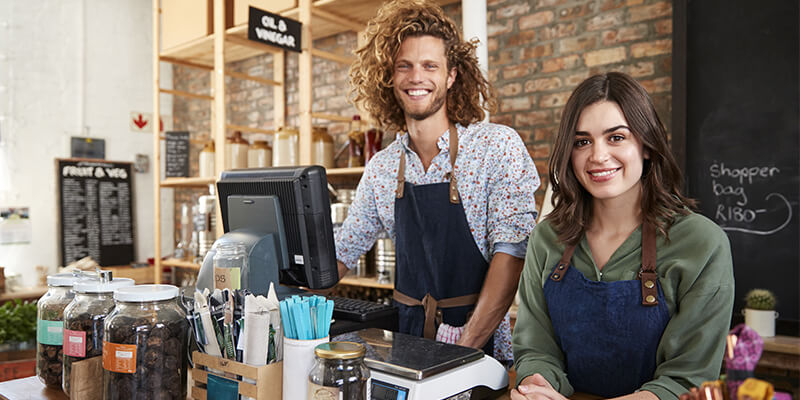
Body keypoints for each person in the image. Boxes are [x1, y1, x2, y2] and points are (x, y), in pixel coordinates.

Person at [336, 0, 540, 362]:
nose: (417, 77)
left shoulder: (496, 147)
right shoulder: (382, 168)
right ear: (391, 76)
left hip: (479, 346)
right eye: (405, 66)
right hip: (406, 345)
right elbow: (342, 252)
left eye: (430, 66)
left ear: (451, 75)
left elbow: (511, 257)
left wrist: (461, 350)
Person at [511, 72, 734, 400]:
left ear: (646, 146)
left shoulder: (702, 243)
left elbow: (686, 379)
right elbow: (536, 349)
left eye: (616, 137)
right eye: (582, 141)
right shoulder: (547, 238)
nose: (598, 156)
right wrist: (537, 386)